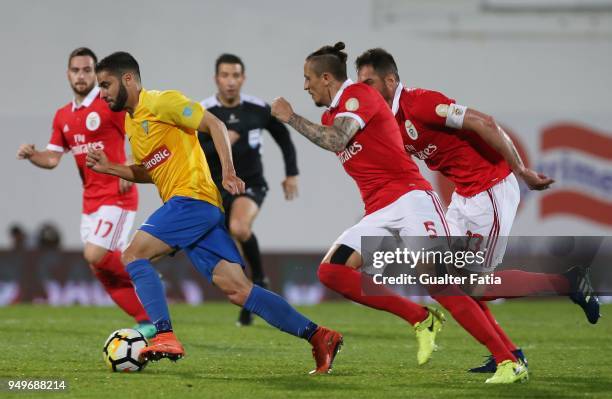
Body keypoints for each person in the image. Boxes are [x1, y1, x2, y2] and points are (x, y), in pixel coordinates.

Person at [271, 41, 528, 384]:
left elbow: (335, 140)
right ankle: (420, 317)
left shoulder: (358, 95)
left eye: (308, 78)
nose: (305, 86)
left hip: (411, 201)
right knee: (331, 271)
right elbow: (332, 134)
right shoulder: (331, 114)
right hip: (378, 210)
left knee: (445, 283)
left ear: (327, 77)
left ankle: (509, 360)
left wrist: (290, 117)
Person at [87, 51, 342, 374]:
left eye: (106, 84)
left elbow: (214, 123)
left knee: (133, 255)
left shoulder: (162, 102)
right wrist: (111, 167)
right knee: (238, 290)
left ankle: (164, 334)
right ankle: (319, 336)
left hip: (191, 200)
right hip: (190, 208)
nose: (103, 92)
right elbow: (150, 171)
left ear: (128, 79)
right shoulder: (132, 123)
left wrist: (228, 171)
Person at [354, 47, 601, 372]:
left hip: (491, 190)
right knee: (446, 277)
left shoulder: (420, 103)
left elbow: (482, 122)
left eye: (369, 82)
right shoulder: (389, 121)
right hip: (464, 197)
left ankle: (567, 283)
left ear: (390, 80)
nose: (363, 90)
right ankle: (507, 353)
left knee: (475, 286)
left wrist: (521, 170)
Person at [16, 47, 154, 337]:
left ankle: (145, 275)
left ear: (95, 73)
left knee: (94, 254)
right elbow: (52, 159)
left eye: (87, 70)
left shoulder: (109, 105)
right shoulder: (63, 116)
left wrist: (130, 162)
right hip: (90, 201)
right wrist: (33, 154)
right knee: (99, 268)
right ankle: (146, 320)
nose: (81, 75)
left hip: (117, 195)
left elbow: (139, 130)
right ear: (68, 74)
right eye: (76, 70)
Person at [199, 53, 299, 326]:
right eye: (225, 75)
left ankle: (260, 279)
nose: (230, 81)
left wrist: (292, 173)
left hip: (251, 185)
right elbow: (192, 151)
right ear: (216, 79)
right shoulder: (204, 112)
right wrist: (220, 143)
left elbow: (283, 137)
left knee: (240, 228)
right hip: (215, 191)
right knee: (231, 246)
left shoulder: (258, 109)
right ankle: (252, 293)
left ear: (243, 78)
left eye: (235, 75)